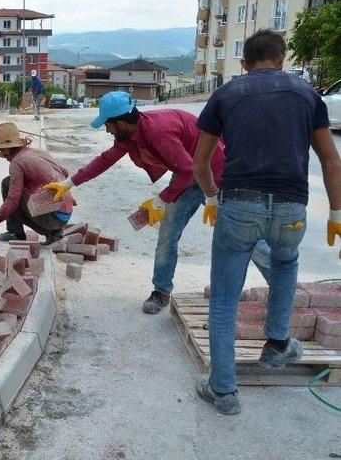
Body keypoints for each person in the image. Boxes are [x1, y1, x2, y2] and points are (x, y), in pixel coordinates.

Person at [192, 29, 341, 415]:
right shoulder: (307, 94)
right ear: (282, 58)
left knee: (224, 298)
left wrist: (212, 198)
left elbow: (200, 164)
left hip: (239, 205)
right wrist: (336, 214)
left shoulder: (226, 94)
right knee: (285, 261)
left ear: (244, 63)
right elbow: (331, 161)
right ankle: (277, 345)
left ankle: (223, 391)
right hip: (291, 208)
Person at [44, 91, 270, 314]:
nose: (107, 130)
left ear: (120, 123)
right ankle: (161, 291)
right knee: (167, 235)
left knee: (241, 234)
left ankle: (280, 287)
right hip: (187, 177)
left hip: (217, 176)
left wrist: (161, 200)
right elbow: (105, 160)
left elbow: (189, 169)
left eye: (108, 124)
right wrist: (68, 183)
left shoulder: (157, 131)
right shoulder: (129, 136)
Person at [0, 122, 75, 245]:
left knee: (7, 184)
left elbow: (12, 200)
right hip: (65, 215)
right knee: (25, 188)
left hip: (52, 218)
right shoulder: (39, 152)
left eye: (2, 150)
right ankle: (55, 234)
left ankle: (15, 233)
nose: (2, 154)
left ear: (9, 147)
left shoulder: (17, 162)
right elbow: (65, 172)